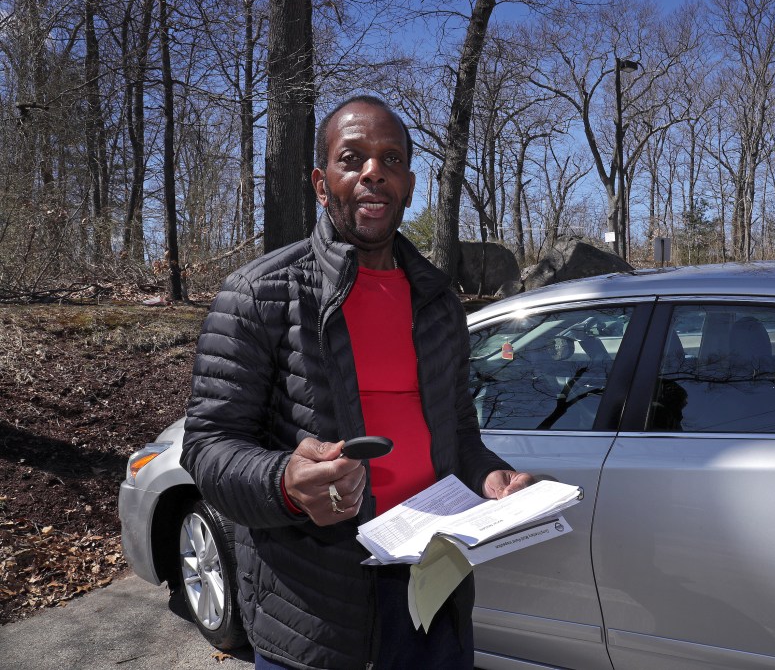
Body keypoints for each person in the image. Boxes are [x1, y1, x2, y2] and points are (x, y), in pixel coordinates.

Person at [181, 95, 532, 670]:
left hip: (433, 588)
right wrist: (285, 484)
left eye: (390, 159)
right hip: (318, 609)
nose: (374, 171)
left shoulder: (439, 300)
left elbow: (459, 432)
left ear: (409, 184)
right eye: (353, 158)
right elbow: (208, 448)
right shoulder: (257, 296)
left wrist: (490, 476)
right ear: (323, 184)